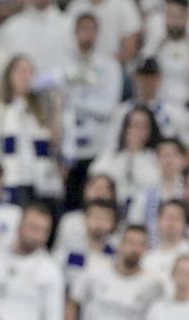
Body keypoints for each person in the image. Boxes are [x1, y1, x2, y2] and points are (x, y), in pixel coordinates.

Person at [62, 225, 165, 320]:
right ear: (120, 245)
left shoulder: (153, 285)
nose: (135, 249)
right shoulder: (95, 272)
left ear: (146, 249)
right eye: (130, 242)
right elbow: (72, 306)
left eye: (141, 244)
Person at [55, 12, 123, 210]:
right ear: (75, 32)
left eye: (91, 29)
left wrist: (75, 102)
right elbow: (58, 103)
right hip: (69, 148)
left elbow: (108, 107)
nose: (87, 34)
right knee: (69, 203)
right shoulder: (63, 65)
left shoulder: (109, 66)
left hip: (98, 146)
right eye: (83, 29)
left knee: (96, 201)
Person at [0, 55, 62, 208]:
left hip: (41, 181)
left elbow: (55, 141)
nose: (26, 77)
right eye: (21, 71)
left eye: (30, 72)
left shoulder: (40, 112)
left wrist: (56, 107)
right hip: (13, 178)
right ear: (9, 76)